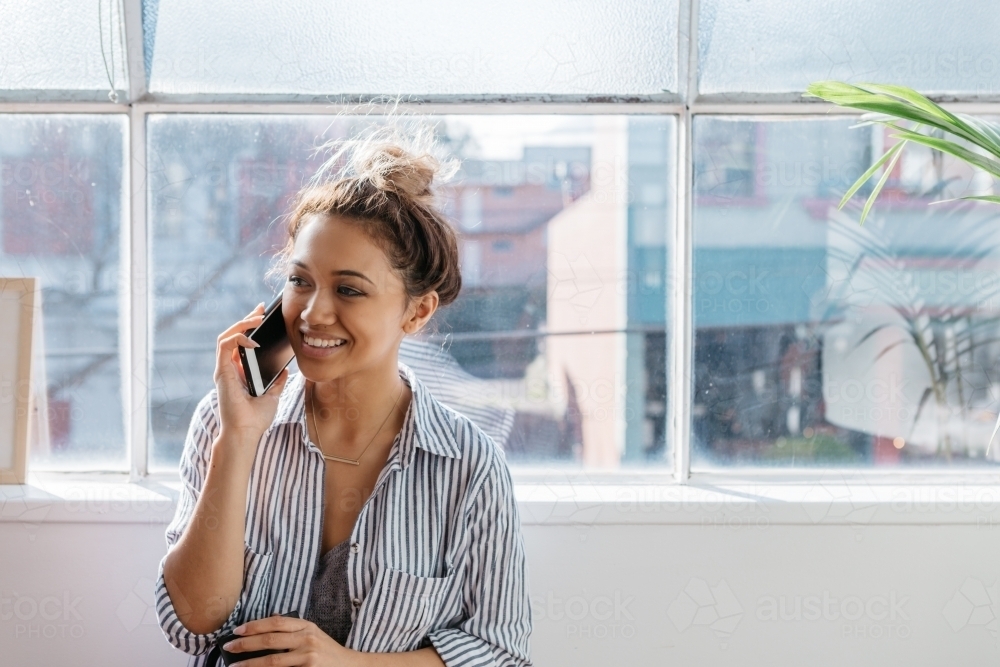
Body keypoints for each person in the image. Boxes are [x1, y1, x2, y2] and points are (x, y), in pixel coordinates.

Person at [155, 123, 532, 667]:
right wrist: (238, 437)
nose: (312, 313)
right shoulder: (228, 418)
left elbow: (500, 654)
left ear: (417, 311)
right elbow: (192, 624)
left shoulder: (468, 468)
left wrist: (343, 663)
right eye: (300, 280)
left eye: (349, 290)